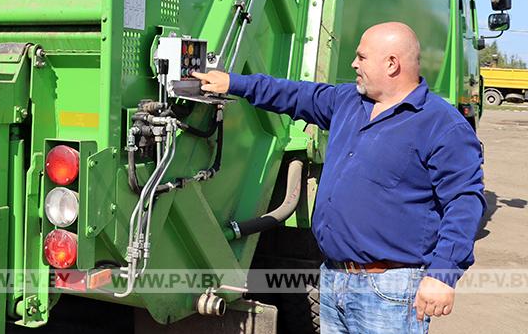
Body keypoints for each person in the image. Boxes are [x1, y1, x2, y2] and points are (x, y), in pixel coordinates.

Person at [193, 22, 484, 333]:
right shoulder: (348, 101)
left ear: (392, 64)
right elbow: (292, 94)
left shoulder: (442, 124)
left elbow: (464, 202)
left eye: (361, 57)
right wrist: (233, 83)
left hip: (391, 291)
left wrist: (442, 275)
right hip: (334, 280)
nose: (353, 64)